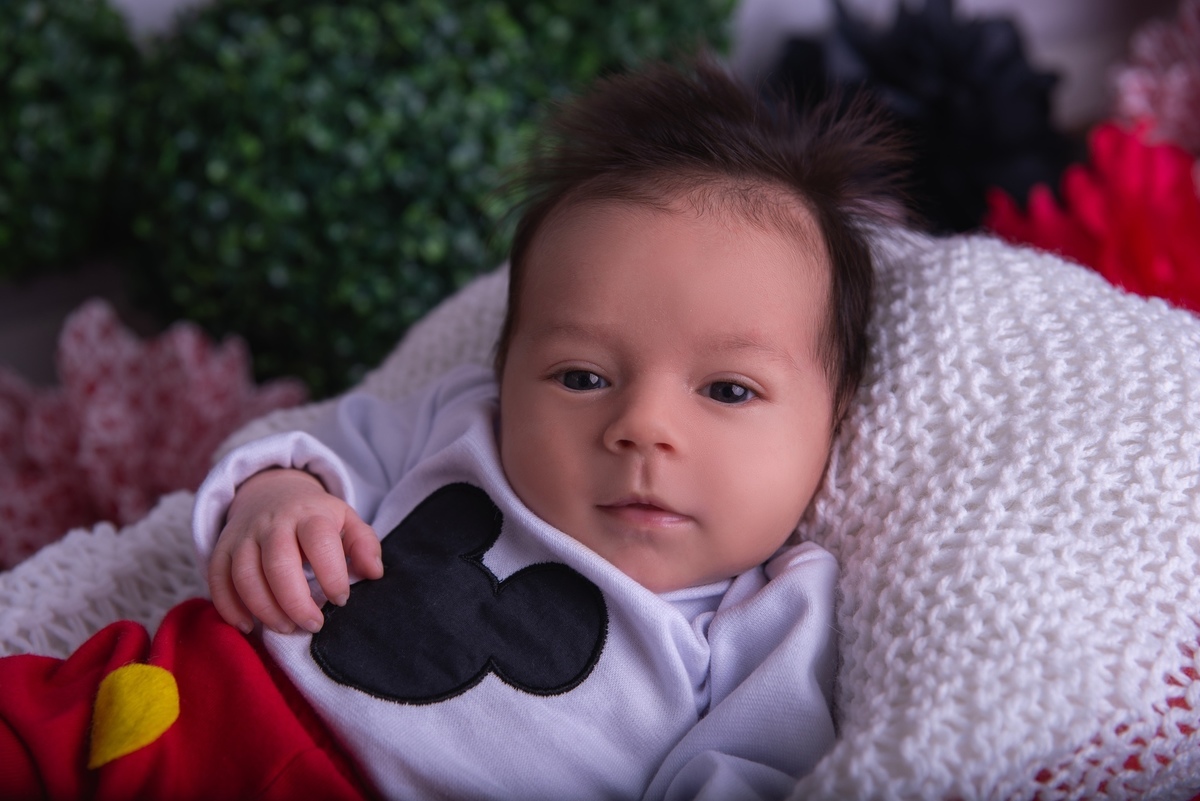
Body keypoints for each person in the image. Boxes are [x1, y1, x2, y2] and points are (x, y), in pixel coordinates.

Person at [0, 55, 906, 801]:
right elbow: (303, 447)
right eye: (582, 376)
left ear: (833, 419)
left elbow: (743, 772)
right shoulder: (460, 422)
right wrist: (277, 501)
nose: (641, 426)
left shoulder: (771, 614)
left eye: (729, 389)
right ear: (509, 372)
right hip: (193, 699)